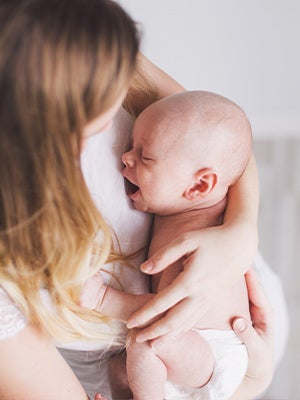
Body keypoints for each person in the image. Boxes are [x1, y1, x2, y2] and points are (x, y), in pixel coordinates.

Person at [0, 0, 286, 399]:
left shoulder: (82, 37)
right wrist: (252, 383)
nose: (124, 159)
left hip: (242, 326)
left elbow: (222, 139)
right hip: (180, 366)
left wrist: (241, 230)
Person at [82, 90, 252, 399]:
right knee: (122, 366)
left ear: (200, 185)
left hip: (214, 349)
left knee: (145, 339)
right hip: (190, 346)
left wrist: (103, 298)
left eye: (144, 157)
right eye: (131, 146)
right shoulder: (185, 206)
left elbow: (165, 313)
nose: (126, 158)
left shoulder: (197, 241)